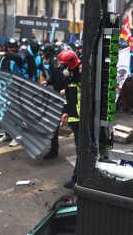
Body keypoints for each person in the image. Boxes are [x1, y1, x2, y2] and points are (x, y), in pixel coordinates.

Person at [56, 50, 82, 189]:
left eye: (65, 64)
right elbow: (69, 98)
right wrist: (65, 112)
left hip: (82, 118)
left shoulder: (81, 74)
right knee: (80, 149)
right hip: (74, 117)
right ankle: (78, 177)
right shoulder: (70, 76)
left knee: (81, 149)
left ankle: (77, 178)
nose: (63, 68)